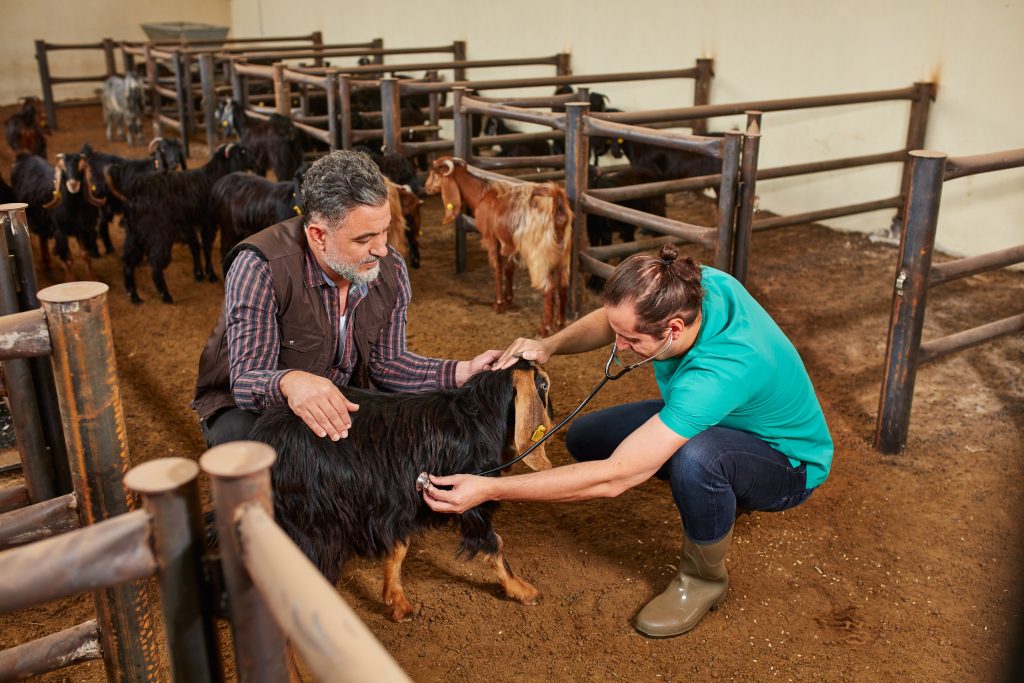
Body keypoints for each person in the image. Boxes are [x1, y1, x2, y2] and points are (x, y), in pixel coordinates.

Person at [422, 244, 833, 638]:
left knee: (698, 458)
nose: (619, 347)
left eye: (632, 341)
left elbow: (615, 478)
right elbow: (614, 318)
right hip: (723, 414)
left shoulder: (718, 375)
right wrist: (549, 345)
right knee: (587, 438)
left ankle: (703, 579)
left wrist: (490, 488)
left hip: (788, 464)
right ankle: (714, 484)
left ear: (673, 329)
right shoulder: (688, 285)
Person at [192, 150, 498, 447]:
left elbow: (387, 363)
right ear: (318, 235)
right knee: (257, 450)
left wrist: (462, 371)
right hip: (247, 405)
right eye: (364, 238)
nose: (381, 249)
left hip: (339, 395)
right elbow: (247, 381)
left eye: (384, 230)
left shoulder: (390, 268)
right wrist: (290, 382)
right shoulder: (260, 267)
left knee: (406, 443)